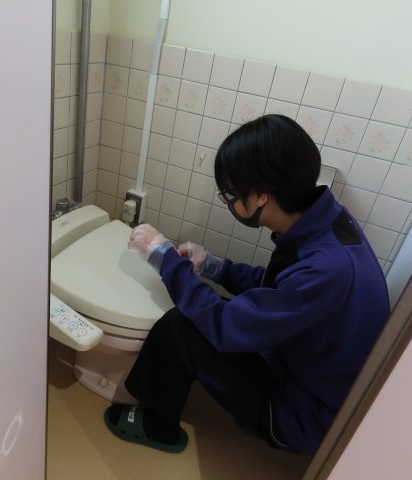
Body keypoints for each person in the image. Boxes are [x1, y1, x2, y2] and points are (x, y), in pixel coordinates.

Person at [103, 114, 390, 454]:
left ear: (261, 196)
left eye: (230, 192)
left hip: (303, 416)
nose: (229, 200)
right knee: (205, 311)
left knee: (181, 327)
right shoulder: (329, 223)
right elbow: (282, 291)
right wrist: (215, 267)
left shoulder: (327, 271)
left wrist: (162, 255)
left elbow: (226, 327)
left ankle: (158, 426)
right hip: (315, 379)